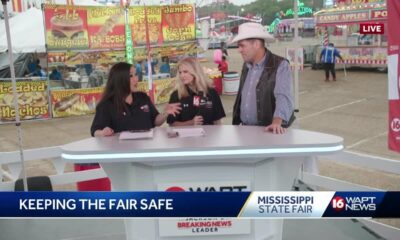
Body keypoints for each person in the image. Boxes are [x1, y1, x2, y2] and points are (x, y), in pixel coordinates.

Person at [230, 22, 295, 134]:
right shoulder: (246, 65)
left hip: (267, 132)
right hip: (244, 130)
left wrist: (276, 122)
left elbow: (283, 96)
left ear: (256, 44)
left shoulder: (280, 65)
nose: (239, 50)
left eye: (242, 45)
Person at [90, 62, 181, 137]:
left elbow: (155, 121)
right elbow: (95, 131)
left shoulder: (142, 97)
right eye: (131, 76)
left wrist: (165, 113)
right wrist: (102, 133)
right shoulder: (106, 105)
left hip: (146, 149)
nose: (136, 79)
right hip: (123, 153)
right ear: (119, 80)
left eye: (136, 75)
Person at [167, 57, 226, 126]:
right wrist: (190, 123)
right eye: (180, 72)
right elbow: (172, 123)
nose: (182, 75)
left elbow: (217, 120)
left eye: (185, 72)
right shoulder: (176, 95)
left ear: (195, 72)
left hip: (209, 135)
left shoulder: (211, 92)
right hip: (186, 135)